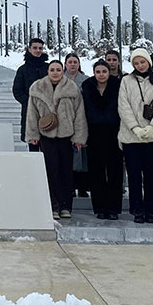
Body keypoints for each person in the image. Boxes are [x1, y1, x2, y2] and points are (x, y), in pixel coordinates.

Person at [25, 60, 87, 220]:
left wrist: (79, 137)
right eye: (52, 69)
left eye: (58, 69)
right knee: (50, 171)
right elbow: (32, 114)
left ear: (62, 71)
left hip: (66, 136)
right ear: (48, 71)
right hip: (47, 135)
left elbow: (79, 114)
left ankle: (66, 206)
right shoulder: (37, 88)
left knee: (66, 171)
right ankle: (53, 205)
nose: (55, 72)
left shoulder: (72, 89)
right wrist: (32, 135)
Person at [118, 48, 153, 224]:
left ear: (148, 61)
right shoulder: (126, 81)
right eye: (136, 63)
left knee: (152, 174)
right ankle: (137, 209)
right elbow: (123, 106)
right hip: (131, 137)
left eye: (142, 62)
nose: (140, 65)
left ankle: (151, 209)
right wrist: (135, 128)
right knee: (134, 175)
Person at [82, 58, 122, 220]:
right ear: (94, 73)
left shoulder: (118, 85)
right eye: (98, 71)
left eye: (104, 71)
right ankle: (99, 207)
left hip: (114, 132)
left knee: (114, 171)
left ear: (109, 72)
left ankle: (113, 208)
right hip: (94, 132)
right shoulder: (87, 86)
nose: (101, 74)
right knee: (96, 171)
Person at [12, 38, 49, 151]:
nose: (38, 50)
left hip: (48, 112)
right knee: (33, 147)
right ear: (29, 49)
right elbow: (17, 90)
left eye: (40, 48)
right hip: (30, 113)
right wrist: (29, 102)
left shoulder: (48, 68)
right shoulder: (23, 70)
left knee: (48, 147)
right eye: (35, 48)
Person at [63, 53, 89, 197]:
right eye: (70, 62)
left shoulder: (85, 80)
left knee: (82, 155)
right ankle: (70, 186)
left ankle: (83, 187)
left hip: (81, 120)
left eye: (75, 62)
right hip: (65, 122)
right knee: (68, 156)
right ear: (65, 64)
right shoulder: (60, 79)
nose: (72, 65)